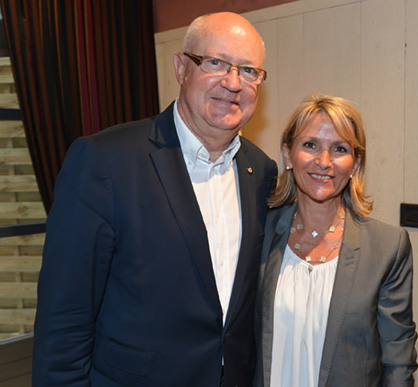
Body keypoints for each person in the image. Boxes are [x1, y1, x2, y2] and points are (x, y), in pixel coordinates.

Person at [32, 12, 277, 386]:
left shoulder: (262, 172)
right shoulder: (105, 162)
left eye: (248, 71)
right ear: (181, 68)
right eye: (215, 63)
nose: (233, 83)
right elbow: (64, 321)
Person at [254, 94, 418, 387]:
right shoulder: (258, 233)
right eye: (310, 145)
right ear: (288, 154)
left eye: (339, 149)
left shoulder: (388, 246)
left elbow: (398, 361)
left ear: (355, 164)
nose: (324, 161)